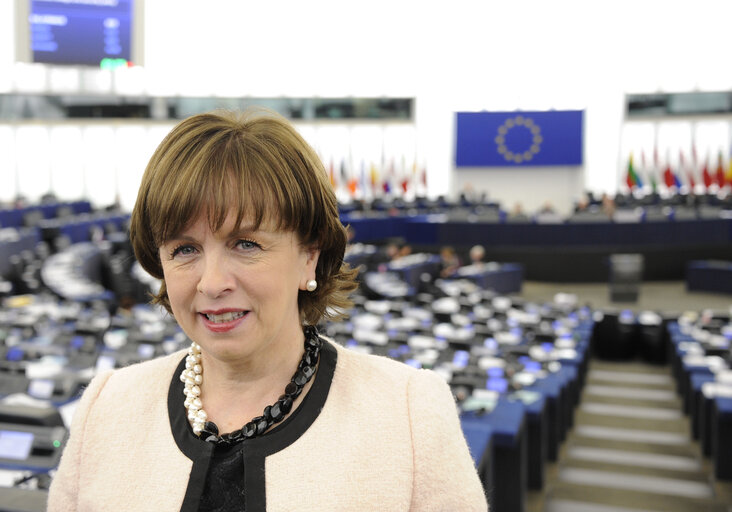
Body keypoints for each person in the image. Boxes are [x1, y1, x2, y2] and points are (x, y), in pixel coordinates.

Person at [47, 109, 488, 511]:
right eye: (184, 248)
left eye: (246, 244)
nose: (212, 282)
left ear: (309, 256)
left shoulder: (409, 415)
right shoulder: (105, 409)